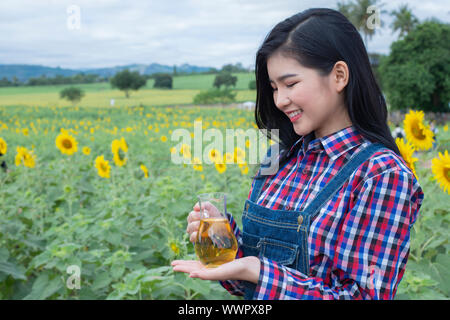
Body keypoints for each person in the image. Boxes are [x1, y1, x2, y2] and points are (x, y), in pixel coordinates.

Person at [172, 8, 424, 300]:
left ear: (339, 76)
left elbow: (364, 297)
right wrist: (223, 240)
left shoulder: (380, 175)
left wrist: (259, 271)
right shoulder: (277, 158)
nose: (280, 100)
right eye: (274, 87)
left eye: (290, 84)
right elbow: (251, 285)